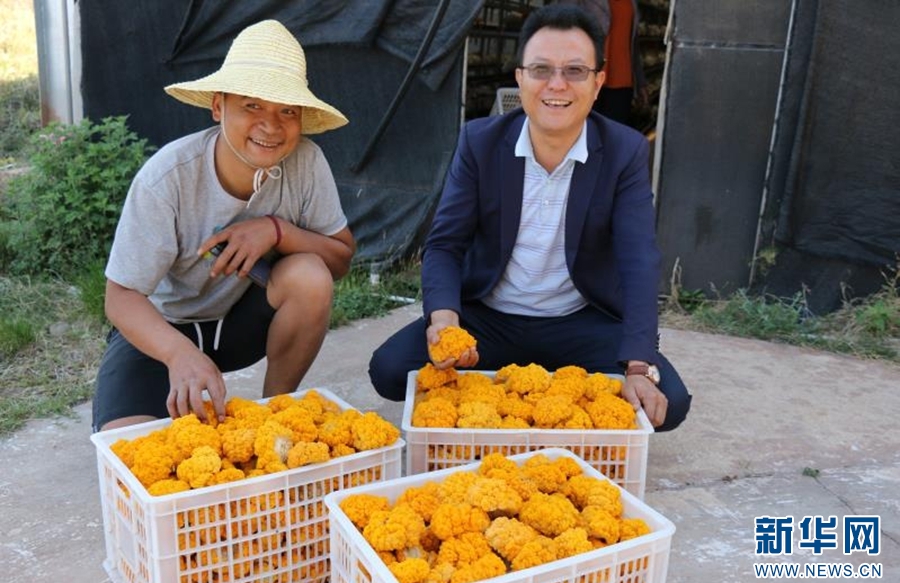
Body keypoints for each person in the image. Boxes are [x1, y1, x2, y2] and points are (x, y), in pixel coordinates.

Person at [369, 4, 690, 431]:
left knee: (668, 403)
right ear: (520, 77)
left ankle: (547, 387)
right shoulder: (480, 142)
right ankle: (533, 384)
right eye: (541, 69)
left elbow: (638, 260)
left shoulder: (624, 151)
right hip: (491, 318)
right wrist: (444, 320)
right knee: (390, 371)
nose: (557, 85)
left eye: (575, 71)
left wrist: (637, 365)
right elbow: (445, 244)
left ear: (598, 82)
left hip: (578, 320)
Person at [92, 20, 355, 432]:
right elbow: (120, 297)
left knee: (310, 276)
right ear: (218, 106)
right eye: (252, 105)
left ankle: (275, 413)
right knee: (126, 446)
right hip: (164, 329)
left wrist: (277, 231)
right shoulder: (167, 178)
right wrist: (178, 354)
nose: (271, 125)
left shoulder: (306, 162)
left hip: (240, 323)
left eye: (287, 110)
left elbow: (340, 258)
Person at [559, 0, 648, 126]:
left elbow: (633, 45)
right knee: (583, 133)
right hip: (587, 79)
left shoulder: (631, 2)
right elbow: (563, 27)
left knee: (614, 135)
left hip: (622, 83)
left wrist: (641, 82)